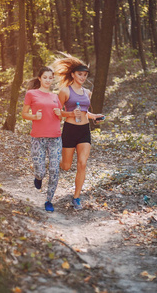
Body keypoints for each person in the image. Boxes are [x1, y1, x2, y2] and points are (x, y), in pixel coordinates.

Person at [52, 55, 104, 210]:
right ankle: (57, 159)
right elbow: (57, 112)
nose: (83, 77)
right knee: (66, 166)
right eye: (80, 74)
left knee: (82, 163)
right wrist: (70, 114)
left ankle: (76, 197)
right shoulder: (64, 91)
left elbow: (85, 111)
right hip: (69, 131)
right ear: (73, 75)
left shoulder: (87, 92)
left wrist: (94, 116)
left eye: (85, 75)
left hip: (84, 131)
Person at [22, 66, 62, 212]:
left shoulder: (55, 97)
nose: (48, 80)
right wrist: (34, 117)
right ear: (39, 78)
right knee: (40, 171)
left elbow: (60, 115)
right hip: (38, 138)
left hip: (55, 138)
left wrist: (60, 113)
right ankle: (38, 178)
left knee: (54, 169)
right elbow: (24, 114)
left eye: (50, 78)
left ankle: (49, 200)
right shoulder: (31, 94)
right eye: (45, 77)